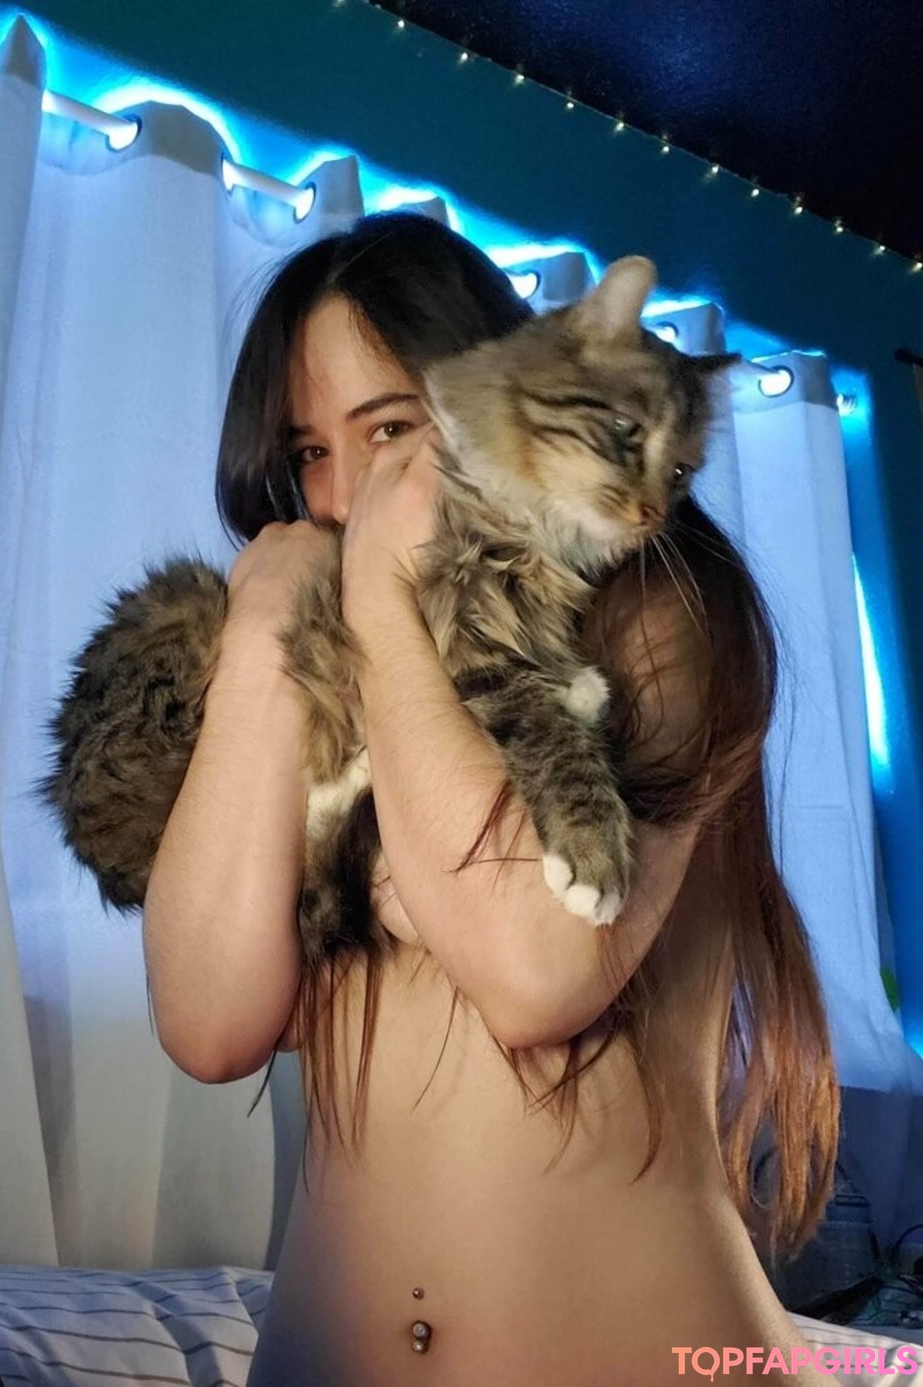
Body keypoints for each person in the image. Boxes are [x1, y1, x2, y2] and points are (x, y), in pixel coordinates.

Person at [141, 212, 840, 1386]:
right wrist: (262, 636)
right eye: (309, 452)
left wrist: (378, 597)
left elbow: (537, 972)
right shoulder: (315, 660)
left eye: (391, 427)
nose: (346, 494)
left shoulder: (657, 608)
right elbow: (208, 1023)